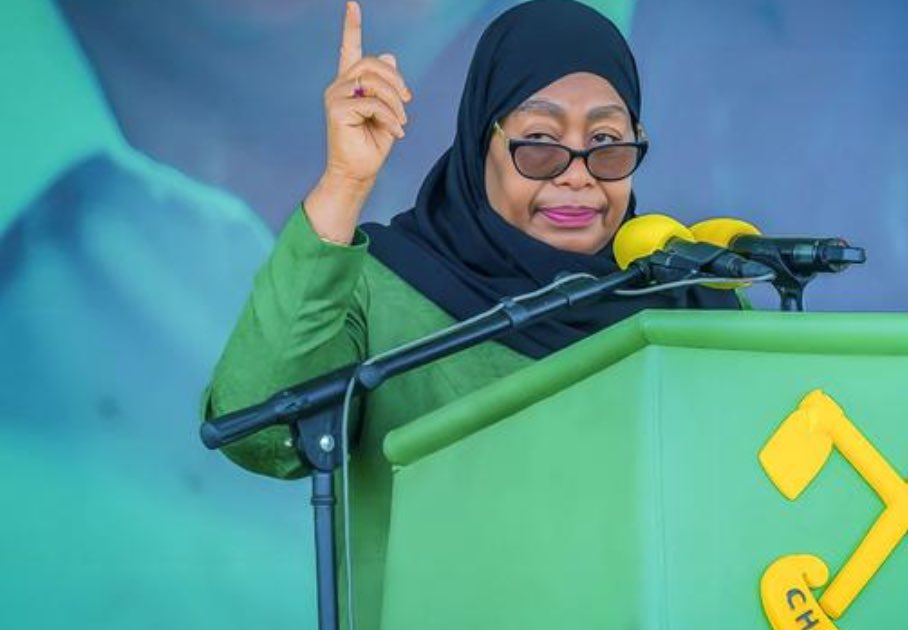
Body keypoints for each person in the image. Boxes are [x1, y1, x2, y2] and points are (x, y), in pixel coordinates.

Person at [201, 0, 742, 625]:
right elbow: (255, 429)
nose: (578, 177)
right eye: (539, 144)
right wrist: (345, 182)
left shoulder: (684, 300)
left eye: (606, 143)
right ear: (482, 140)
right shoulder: (384, 284)